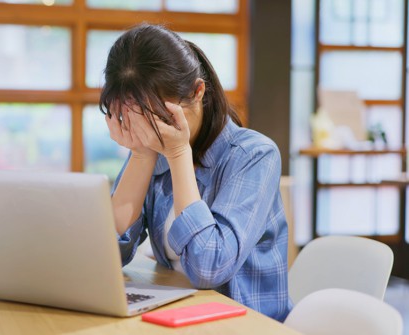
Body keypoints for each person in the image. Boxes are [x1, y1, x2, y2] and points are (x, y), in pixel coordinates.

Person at [100, 23, 291, 321]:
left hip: (245, 322)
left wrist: (178, 154)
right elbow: (105, 258)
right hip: (179, 314)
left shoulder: (254, 156)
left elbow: (208, 268)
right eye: (133, 117)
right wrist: (140, 154)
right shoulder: (149, 146)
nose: (149, 131)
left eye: (158, 116)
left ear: (197, 92)